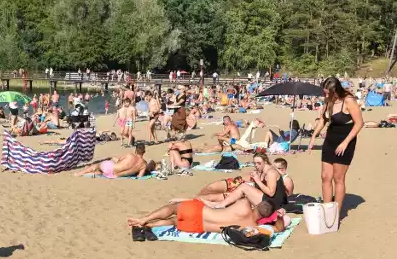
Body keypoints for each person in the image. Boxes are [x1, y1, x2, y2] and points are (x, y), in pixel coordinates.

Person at [308, 77, 363, 215]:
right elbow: (323, 120)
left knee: (338, 178)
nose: (326, 96)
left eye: (328, 93)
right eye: (324, 93)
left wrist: (345, 142)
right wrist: (314, 136)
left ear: (335, 90)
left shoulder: (348, 101)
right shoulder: (329, 101)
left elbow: (359, 123)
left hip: (345, 142)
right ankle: (327, 209)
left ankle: (336, 213)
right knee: (325, 176)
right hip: (330, 140)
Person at [128, 198, 286, 234]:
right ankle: (150, 225)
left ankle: (144, 219)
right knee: (174, 222)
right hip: (200, 227)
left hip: (201, 211)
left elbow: (221, 204)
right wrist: (279, 217)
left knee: (172, 208)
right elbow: (279, 229)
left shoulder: (244, 203)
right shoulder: (253, 226)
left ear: (257, 205)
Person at [202, 152, 287, 211]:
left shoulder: (271, 172)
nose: (256, 165)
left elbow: (271, 193)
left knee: (243, 187)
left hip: (273, 204)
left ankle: (220, 205)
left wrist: (257, 180)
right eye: (255, 163)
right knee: (241, 196)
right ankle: (219, 204)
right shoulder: (262, 172)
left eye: (259, 163)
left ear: (265, 161)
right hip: (267, 201)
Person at [74, 144, 151, 179]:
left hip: (111, 168)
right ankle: (92, 172)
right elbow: (139, 177)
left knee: (97, 165)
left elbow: (119, 161)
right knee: (101, 172)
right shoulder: (144, 164)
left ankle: (80, 173)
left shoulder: (130, 155)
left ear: (135, 150)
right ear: (144, 152)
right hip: (115, 175)